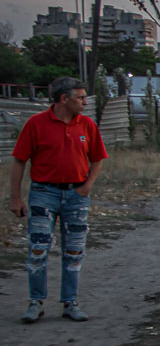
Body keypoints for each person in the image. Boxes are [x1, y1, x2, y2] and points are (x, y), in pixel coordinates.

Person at [9, 76, 107, 323]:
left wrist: (87, 186)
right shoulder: (36, 124)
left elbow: (97, 158)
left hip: (76, 195)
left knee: (74, 250)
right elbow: (20, 160)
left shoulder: (86, 125)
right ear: (64, 99)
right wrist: (16, 198)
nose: (85, 102)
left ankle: (70, 301)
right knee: (38, 248)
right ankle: (36, 301)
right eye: (81, 97)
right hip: (44, 193)